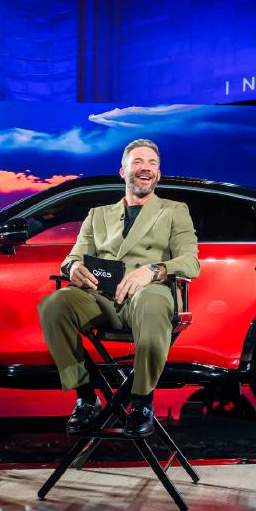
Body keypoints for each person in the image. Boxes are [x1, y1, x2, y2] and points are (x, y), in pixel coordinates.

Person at [38, 139, 200, 437]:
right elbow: (73, 255)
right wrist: (73, 268)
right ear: (123, 171)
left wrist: (153, 270)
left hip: (148, 295)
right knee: (54, 304)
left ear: (159, 175)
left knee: (152, 301)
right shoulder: (98, 215)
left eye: (152, 163)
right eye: (138, 162)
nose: (145, 168)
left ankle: (141, 402)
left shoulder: (175, 210)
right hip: (102, 297)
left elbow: (190, 261)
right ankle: (86, 397)